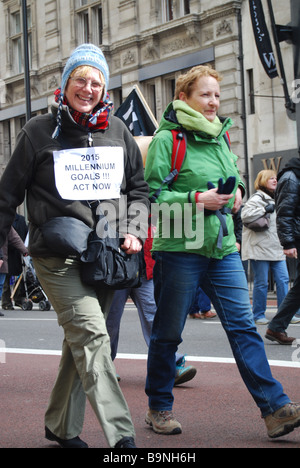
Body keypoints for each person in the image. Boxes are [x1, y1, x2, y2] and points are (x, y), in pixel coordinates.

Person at [0, 44, 149, 448]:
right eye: (80, 79)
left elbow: (139, 188)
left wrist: (134, 228)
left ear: (105, 88)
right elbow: (6, 195)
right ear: (64, 83)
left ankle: (61, 427)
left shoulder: (117, 130)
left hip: (104, 256)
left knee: (79, 341)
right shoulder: (36, 131)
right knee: (93, 335)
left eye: (96, 82)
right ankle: (123, 439)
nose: (88, 88)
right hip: (56, 253)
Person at [144, 65, 300, 439]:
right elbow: (151, 198)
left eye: (216, 94)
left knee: (244, 327)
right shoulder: (168, 139)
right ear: (184, 98)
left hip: (223, 248)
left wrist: (240, 192)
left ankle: (275, 408)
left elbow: (236, 177)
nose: (213, 102)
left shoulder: (221, 137)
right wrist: (198, 199)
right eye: (205, 95)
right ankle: (158, 408)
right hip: (181, 248)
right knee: (168, 334)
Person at [106, 224, 197, 385]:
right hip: (116, 264)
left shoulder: (151, 199)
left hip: (145, 266)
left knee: (156, 316)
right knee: (109, 321)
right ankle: (104, 366)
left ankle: (169, 366)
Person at [241, 170, 293, 325]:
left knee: (283, 280)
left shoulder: (278, 197)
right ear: (263, 180)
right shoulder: (258, 198)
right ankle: (258, 315)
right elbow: (245, 215)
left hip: (276, 246)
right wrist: (264, 209)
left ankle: (284, 314)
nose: (275, 180)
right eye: (271, 178)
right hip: (260, 247)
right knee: (262, 282)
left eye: (276, 178)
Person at [266, 158, 300, 344]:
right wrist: (287, 243)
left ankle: (276, 327)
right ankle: (276, 327)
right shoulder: (291, 177)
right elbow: (285, 212)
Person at [2, 213, 28, 310]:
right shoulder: (4, 218)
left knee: (19, 276)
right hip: (5, 253)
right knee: (5, 279)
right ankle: (6, 302)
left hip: (17, 253)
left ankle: (18, 299)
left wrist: (25, 250)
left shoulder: (20, 219)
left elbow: (20, 236)